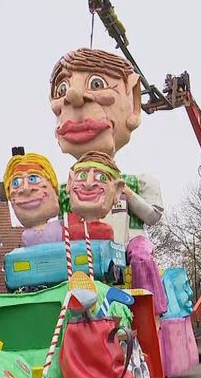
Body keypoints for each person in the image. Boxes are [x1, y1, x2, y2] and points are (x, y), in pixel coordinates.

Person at [49, 48, 163, 246]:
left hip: (128, 258)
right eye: (62, 89)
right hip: (78, 259)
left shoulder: (138, 182)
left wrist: (122, 190)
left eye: (96, 84)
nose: (73, 95)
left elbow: (152, 217)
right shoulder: (63, 190)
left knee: (141, 259)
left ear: (134, 104)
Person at [3, 152, 62, 247]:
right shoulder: (27, 237)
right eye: (16, 182)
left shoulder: (65, 231)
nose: (26, 188)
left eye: (33, 178)